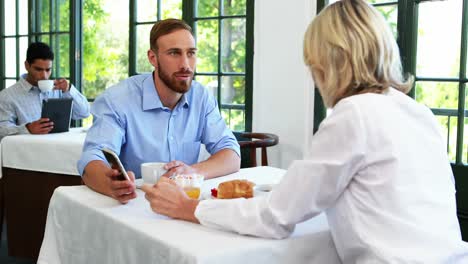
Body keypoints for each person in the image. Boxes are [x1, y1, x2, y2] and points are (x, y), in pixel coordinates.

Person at [141, 1, 468, 262]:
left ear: (328, 62)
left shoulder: (354, 115)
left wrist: (188, 207)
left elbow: (275, 217)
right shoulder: (416, 112)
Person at [78, 19, 240, 204]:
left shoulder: (202, 97)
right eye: (174, 53)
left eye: (191, 53)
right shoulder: (117, 100)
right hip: (134, 205)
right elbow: (92, 157)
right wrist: (110, 184)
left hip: (183, 204)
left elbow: (231, 154)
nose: (185, 64)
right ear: (152, 58)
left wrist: (193, 171)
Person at [0, 42, 90, 139]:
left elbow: (84, 113)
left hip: (60, 148)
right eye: (38, 69)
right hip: (27, 152)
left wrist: (69, 89)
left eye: (48, 70)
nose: (44, 75)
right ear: (27, 65)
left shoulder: (58, 89)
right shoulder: (7, 96)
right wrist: (27, 129)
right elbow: (2, 130)